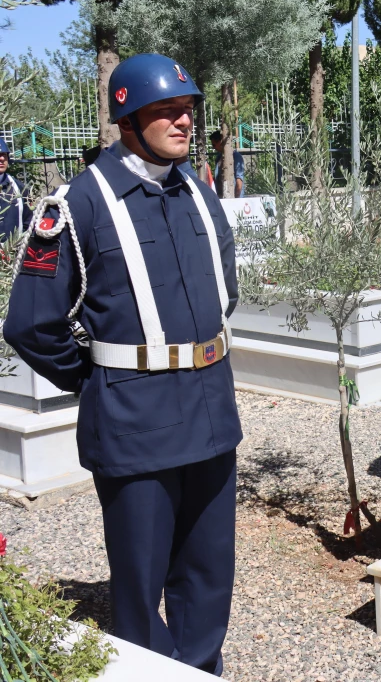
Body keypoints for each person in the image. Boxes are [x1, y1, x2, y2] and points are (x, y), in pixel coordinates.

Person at [4, 53, 240, 676]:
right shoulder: (79, 202)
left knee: (210, 571)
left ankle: (197, 669)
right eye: (167, 111)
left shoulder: (197, 191)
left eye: (187, 110)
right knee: (139, 582)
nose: (184, 121)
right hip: (135, 421)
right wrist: (98, 378)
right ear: (128, 117)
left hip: (212, 411)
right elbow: (30, 323)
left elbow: (224, 293)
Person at [0, 136, 31, 239]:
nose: (2, 159)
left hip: (13, 252)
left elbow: (29, 223)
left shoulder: (19, 188)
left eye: (4, 155)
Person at [211, 130, 244, 198]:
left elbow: (239, 180)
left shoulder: (236, 156)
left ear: (220, 142)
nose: (213, 147)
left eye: (214, 145)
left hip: (233, 198)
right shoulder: (218, 157)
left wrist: (236, 199)